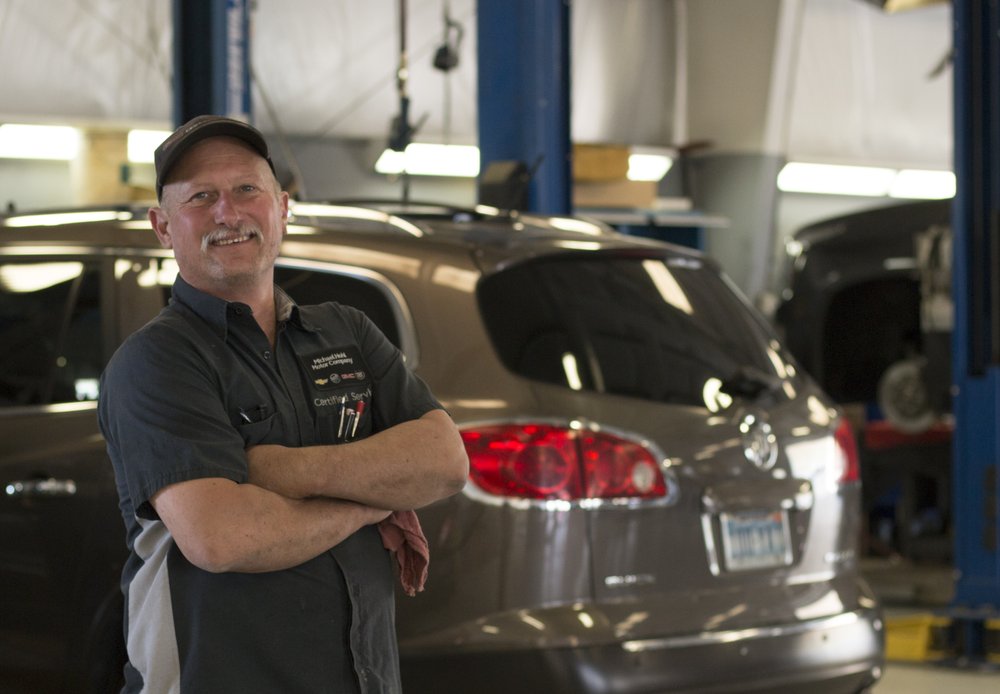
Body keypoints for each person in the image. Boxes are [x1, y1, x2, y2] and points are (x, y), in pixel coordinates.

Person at [98, 115, 469, 693]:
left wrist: (282, 470)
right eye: (201, 197)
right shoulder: (157, 361)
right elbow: (222, 538)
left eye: (247, 188)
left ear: (283, 207)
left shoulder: (346, 330)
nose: (228, 212)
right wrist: (373, 505)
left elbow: (445, 462)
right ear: (163, 227)